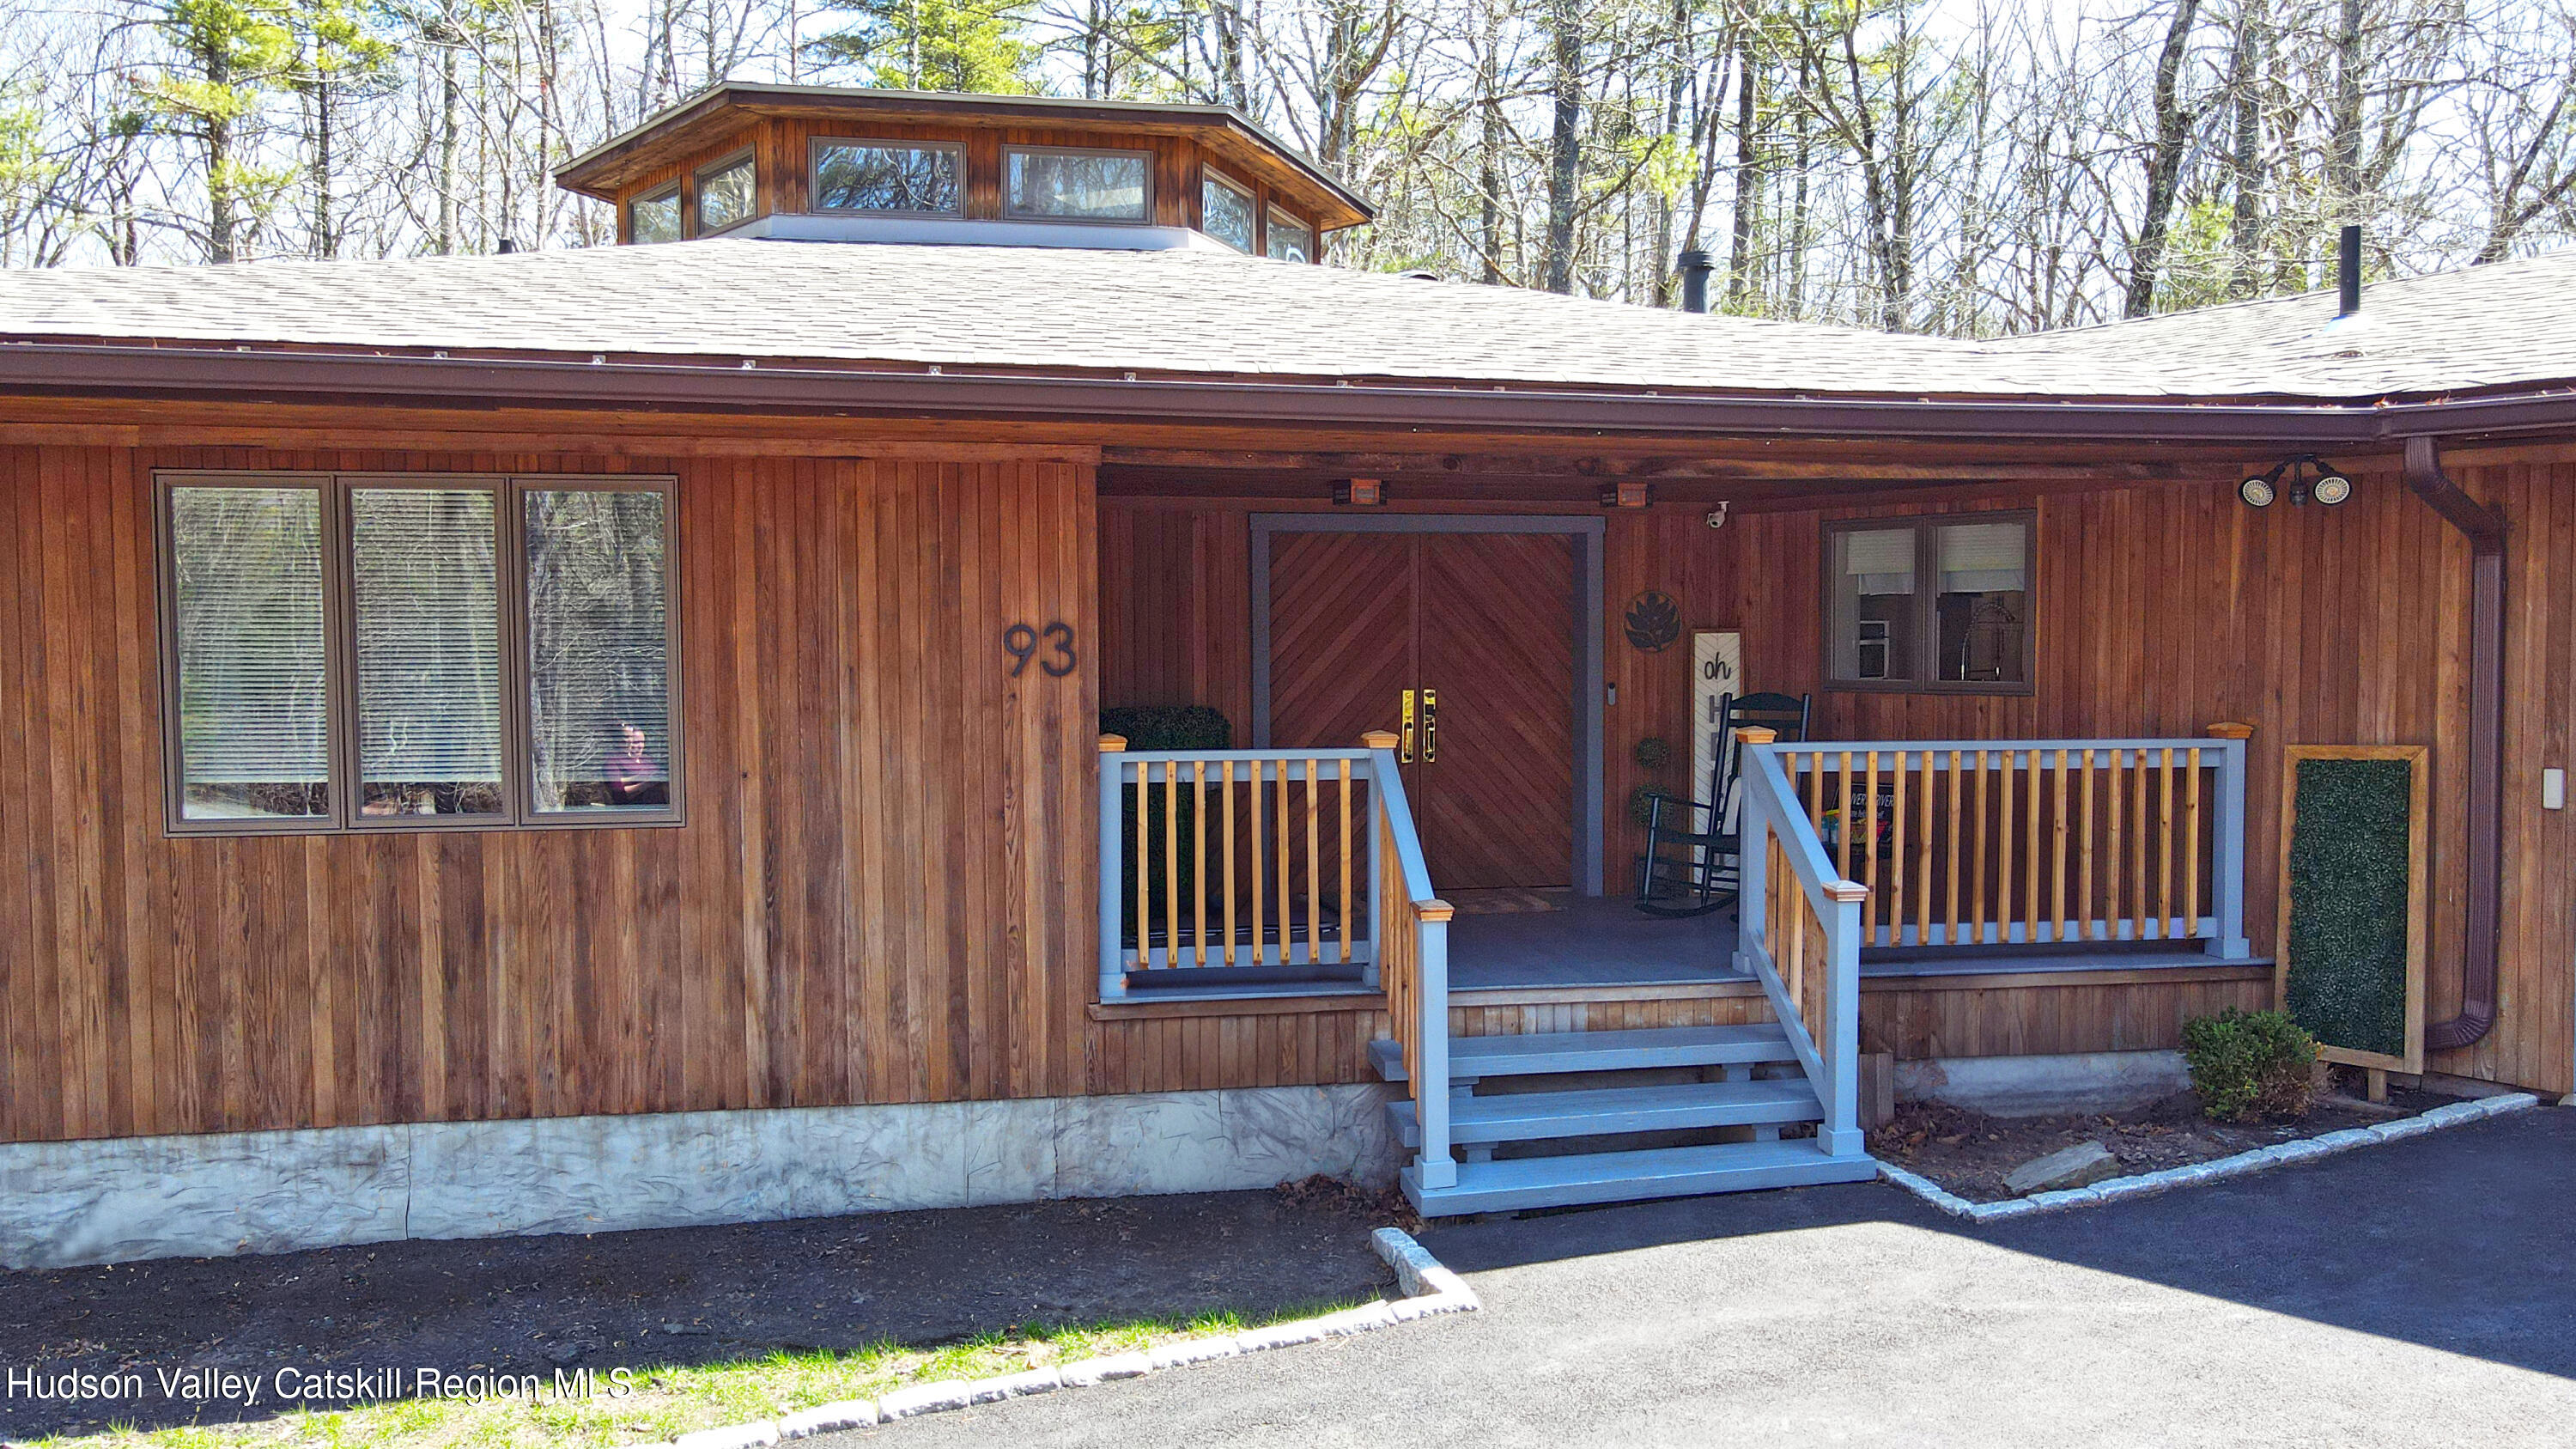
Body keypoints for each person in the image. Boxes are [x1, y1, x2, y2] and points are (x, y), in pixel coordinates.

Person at [605, 721, 669, 807]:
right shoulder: (614, 762)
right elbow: (619, 795)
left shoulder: (647, 760)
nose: (640, 746)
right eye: (636, 742)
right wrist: (646, 783)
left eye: (642, 742)